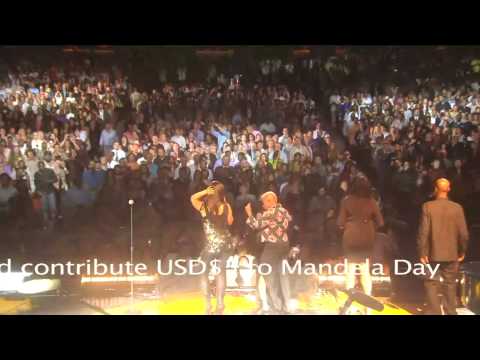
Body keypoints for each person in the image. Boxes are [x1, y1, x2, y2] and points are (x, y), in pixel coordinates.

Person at [417, 178, 469, 315]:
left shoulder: (428, 206)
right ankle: (450, 312)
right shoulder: (457, 208)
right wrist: (462, 250)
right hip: (452, 253)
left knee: (431, 283)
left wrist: (422, 252)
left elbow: (424, 231)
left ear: (435, 189)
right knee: (450, 284)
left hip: (432, 254)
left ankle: (434, 312)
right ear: (449, 189)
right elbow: (463, 233)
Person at [245, 191, 297, 314]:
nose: (263, 206)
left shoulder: (270, 212)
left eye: (263, 203)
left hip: (272, 248)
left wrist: (249, 213)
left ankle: (276, 306)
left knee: (268, 274)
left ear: (270, 201)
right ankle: (286, 306)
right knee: (283, 276)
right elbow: (283, 222)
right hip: (284, 245)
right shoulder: (284, 211)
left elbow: (256, 225)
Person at [191, 180, 234, 315]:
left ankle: (208, 305)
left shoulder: (203, 207)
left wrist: (205, 192)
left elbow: (192, 198)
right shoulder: (226, 206)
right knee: (220, 272)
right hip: (226, 244)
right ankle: (220, 304)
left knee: (202, 271)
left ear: (210, 191)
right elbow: (230, 222)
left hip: (211, 245)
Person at [337, 177, 384, 297]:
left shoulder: (346, 200)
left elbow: (340, 223)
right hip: (367, 238)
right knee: (365, 270)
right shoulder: (371, 201)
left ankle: (350, 300)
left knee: (350, 270)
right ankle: (368, 302)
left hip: (351, 237)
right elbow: (381, 222)